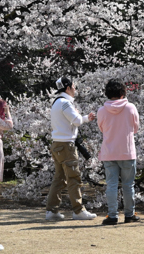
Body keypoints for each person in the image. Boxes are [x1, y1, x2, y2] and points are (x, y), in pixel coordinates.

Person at [45, 76, 97, 221]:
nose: (75, 88)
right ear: (67, 88)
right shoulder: (65, 103)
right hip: (66, 145)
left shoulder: (56, 102)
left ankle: (52, 210)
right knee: (73, 177)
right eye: (73, 86)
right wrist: (86, 117)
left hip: (56, 144)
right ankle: (78, 210)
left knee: (59, 178)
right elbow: (77, 121)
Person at [97, 79, 141, 226]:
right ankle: (129, 214)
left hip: (109, 152)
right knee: (128, 185)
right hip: (127, 151)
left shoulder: (102, 111)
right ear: (123, 93)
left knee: (111, 185)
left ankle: (112, 215)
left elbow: (102, 129)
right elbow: (135, 128)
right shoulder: (130, 108)